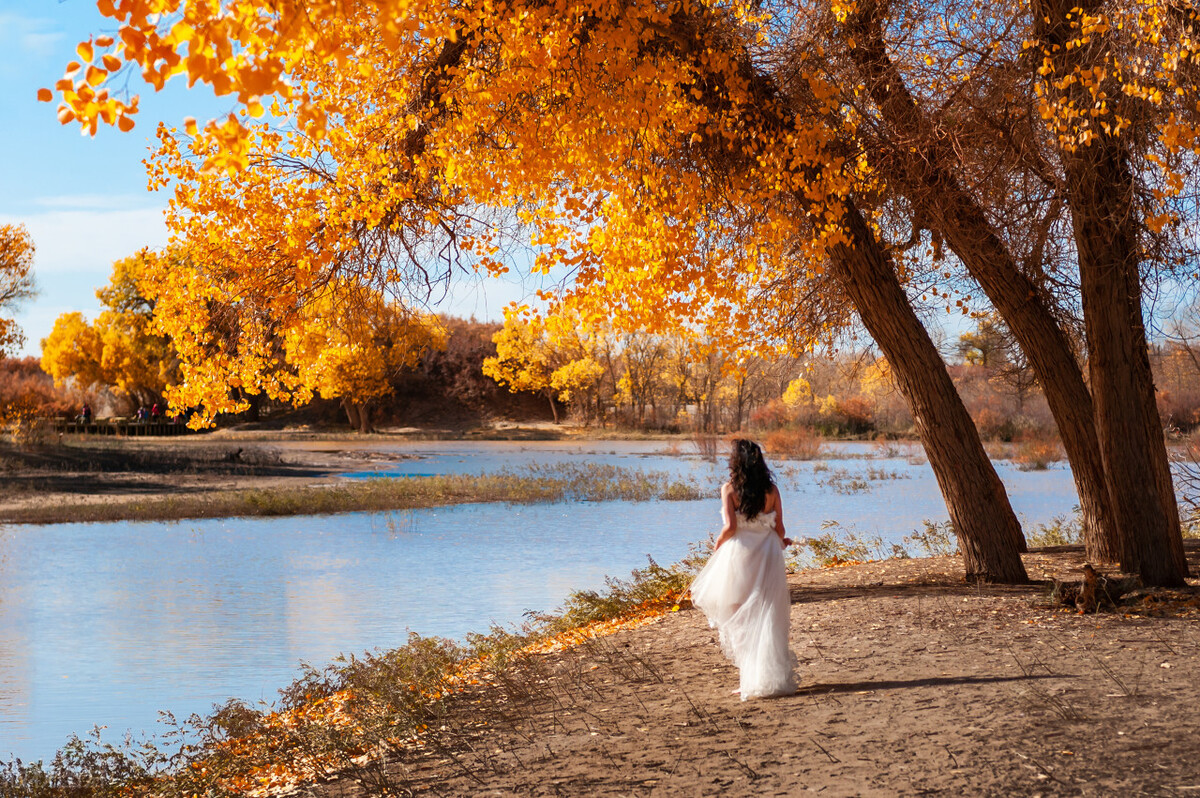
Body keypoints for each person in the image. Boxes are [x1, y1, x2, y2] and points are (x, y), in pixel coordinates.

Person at [689, 438, 797, 700]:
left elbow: (731, 528)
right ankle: (769, 678)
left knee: (737, 613)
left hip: (741, 554)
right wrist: (781, 541)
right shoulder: (772, 490)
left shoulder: (729, 489)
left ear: (735, 463)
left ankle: (750, 678)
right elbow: (779, 528)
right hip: (769, 553)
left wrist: (717, 545)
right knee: (768, 613)